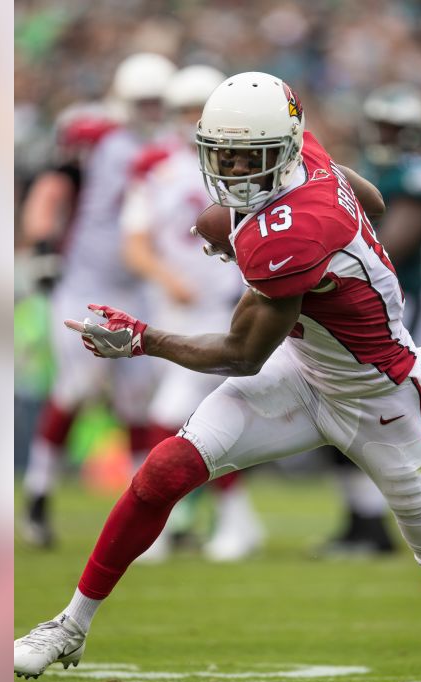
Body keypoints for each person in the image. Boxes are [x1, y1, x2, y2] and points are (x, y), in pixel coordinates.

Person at [14, 72, 421, 678]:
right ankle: (71, 625)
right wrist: (335, 207)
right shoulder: (307, 155)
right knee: (165, 468)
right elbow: (369, 198)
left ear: (283, 150)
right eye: (225, 155)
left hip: (379, 401)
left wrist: (142, 340)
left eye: (249, 157)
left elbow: (242, 355)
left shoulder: (292, 232)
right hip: (304, 370)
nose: (234, 170)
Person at [17, 53, 177, 548]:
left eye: (157, 102)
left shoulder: (174, 147)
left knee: (138, 399)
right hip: (89, 283)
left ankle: (139, 512)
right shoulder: (97, 138)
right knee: (78, 386)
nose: (151, 111)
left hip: (139, 286)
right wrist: (43, 246)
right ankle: (39, 491)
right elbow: (51, 188)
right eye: (143, 101)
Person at [121, 65, 264, 563]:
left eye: (198, 109)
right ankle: (236, 520)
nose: (191, 120)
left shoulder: (248, 165)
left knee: (175, 415)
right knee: (210, 422)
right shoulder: (155, 165)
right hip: (177, 311)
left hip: (229, 309)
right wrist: (168, 279)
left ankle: (156, 525)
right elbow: (134, 243)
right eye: (184, 109)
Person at [320, 83, 421, 556]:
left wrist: (324, 257)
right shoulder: (372, 171)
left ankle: (378, 526)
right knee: (341, 412)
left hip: (399, 306)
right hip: (356, 306)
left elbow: (391, 246)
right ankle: (361, 523)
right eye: (381, 124)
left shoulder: (418, 176)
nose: (385, 134)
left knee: (381, 413)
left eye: (394, 127)